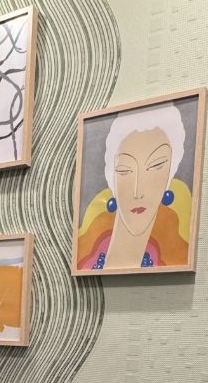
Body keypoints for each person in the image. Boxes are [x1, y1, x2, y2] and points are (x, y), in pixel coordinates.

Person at [77, 103, 190, 270]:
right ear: (112, 177)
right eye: (124, 171)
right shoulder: (87, 250)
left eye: (156, 166)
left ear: (170, 173)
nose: (138, 191)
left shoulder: (173, 253)